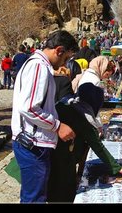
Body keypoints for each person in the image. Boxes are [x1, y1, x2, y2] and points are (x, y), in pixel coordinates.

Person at [11, 30, 79, 203]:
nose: (65, 63)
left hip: (35, 143)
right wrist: (57, 126)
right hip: (33, 144)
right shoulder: (38, 66)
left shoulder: (40, 66)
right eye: (66, 58)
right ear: (59, 50)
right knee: (34, 198)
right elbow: (29, 108)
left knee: (36, 195)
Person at [48, 83, 122, 202]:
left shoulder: (67, 105)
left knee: (51, 188)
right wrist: (117, 167)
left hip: (47, 154)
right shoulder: (83, 117)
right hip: (62, 160)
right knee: (63, 192)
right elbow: (98, 146)